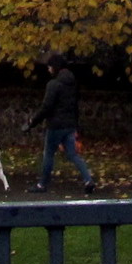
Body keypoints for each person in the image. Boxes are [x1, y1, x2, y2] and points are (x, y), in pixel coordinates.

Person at [26, 56, 99, 194]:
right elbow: (75, 106)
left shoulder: (53, 84)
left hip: (55, 126)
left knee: (49, 154)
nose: (48, 69)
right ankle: (88, 180)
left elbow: (46, 107)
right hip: (70, 125)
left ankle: (42, 184)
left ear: (54, 67)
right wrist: (76, 125)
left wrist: (33, 122)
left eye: (49, 66)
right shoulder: (72, 84)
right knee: (73, 154)